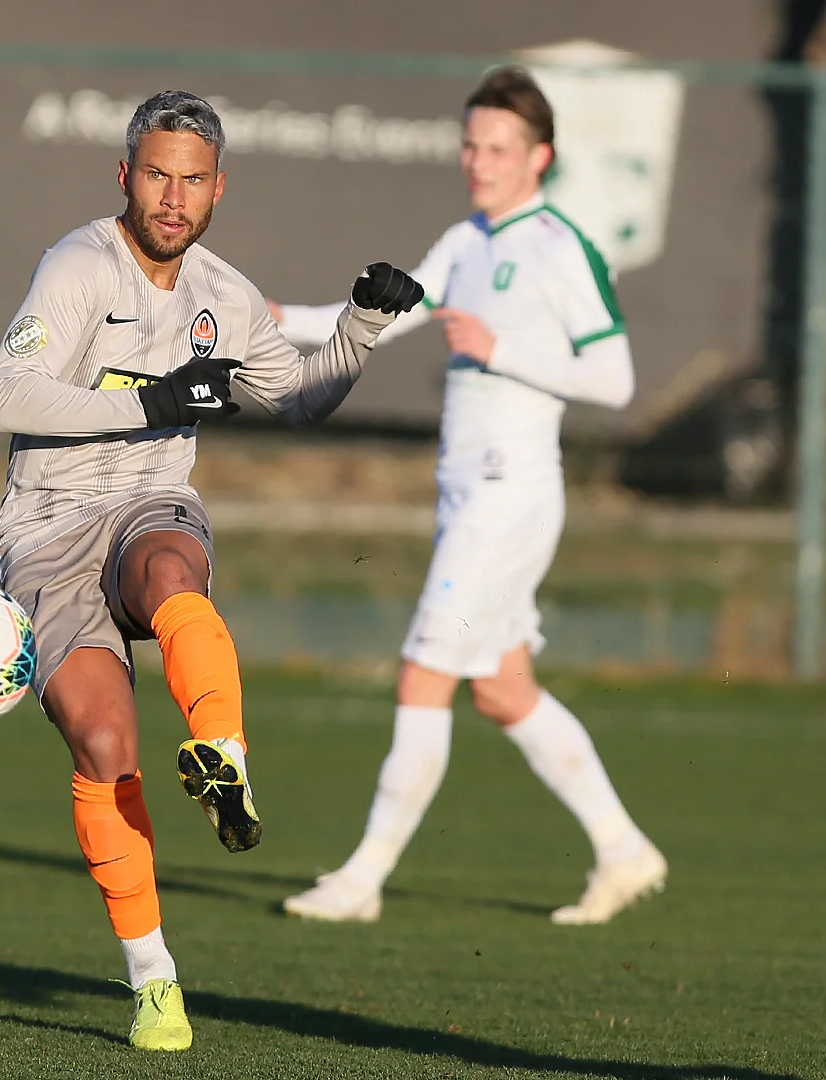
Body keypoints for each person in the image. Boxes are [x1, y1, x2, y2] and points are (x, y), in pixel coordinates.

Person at [0, 90, 422, 1051]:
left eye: (191, 180)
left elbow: (297, 398)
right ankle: (153, 980)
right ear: (125, 176)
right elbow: (5, 396)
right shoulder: (77, 265)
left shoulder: (224, 294)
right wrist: (151, 403)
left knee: (169, 573)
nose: (172, 198)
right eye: (156, 175)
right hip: (46, 530)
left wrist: (362, 324)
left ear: (220, 188)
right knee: (104, 744)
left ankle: (224, 753)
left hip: (150, 503)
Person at [273, 67, 665, 926]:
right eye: (470, 144)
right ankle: (625, 850)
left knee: (425, 674)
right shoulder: (466, 239)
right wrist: (275, 318)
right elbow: (387, 316)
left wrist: (498, 349)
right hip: (469, 497)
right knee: (502, 690)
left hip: (508, 499)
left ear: (540, 157)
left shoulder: (559, 247)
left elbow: (615, 378)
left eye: (498, 148)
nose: (478, 162)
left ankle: (362, 879)